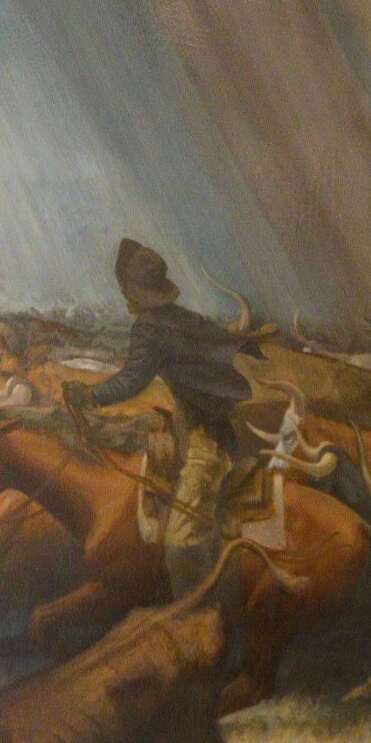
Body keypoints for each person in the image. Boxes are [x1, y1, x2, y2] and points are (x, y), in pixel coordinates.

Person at [63, 239, 256, 590]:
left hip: (208, 440)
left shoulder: (150, 326)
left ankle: (196, 611)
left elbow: (133, 380)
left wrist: (90, 395)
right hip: (209, 428)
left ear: (137, 292)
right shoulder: (184, 318)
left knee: (179, 539)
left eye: (127, 288)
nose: (124, 294)